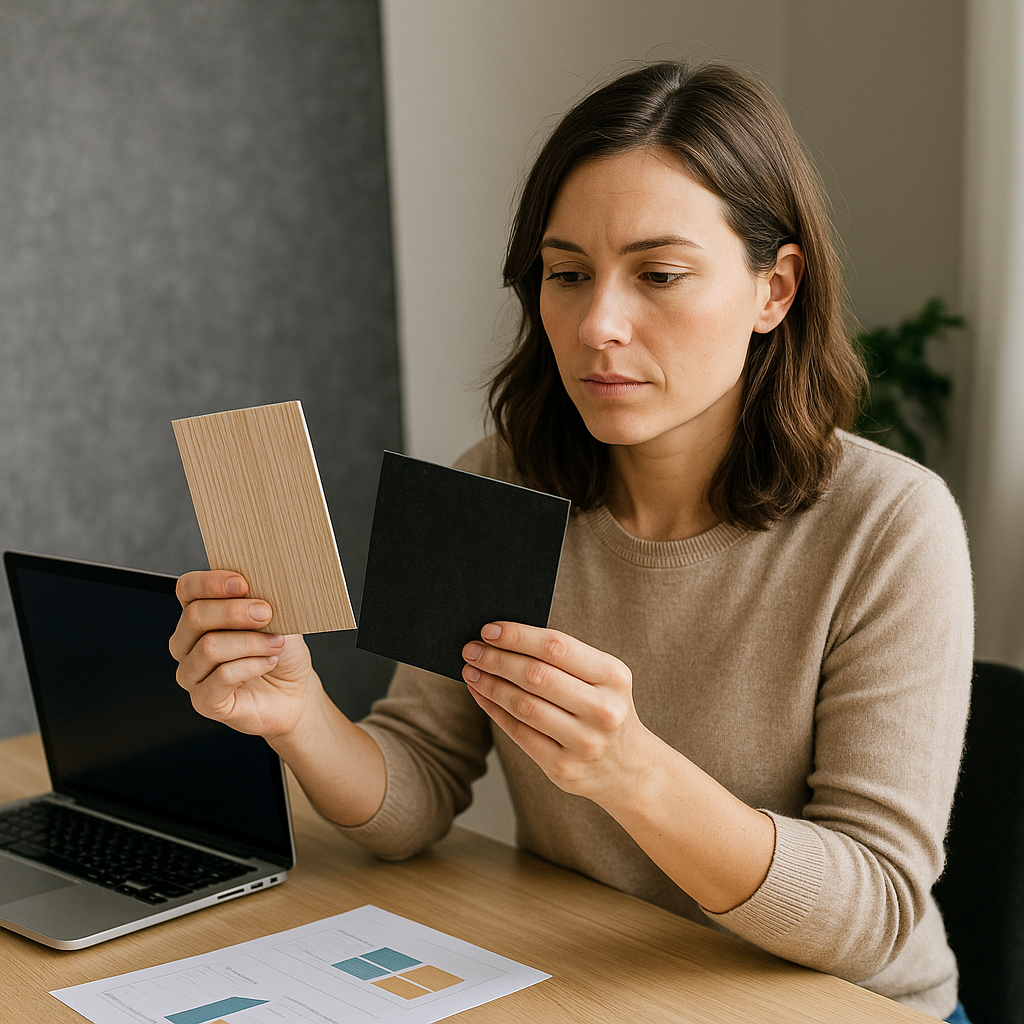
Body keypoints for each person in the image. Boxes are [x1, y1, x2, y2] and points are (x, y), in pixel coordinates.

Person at [170, 61, 974, 1021]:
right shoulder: (493, 479)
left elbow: (877, 910)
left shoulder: (891, 524)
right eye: (567, 274)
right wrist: (298, 713)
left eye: (660, 274)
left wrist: (633, 772)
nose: (598, 324)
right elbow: (415, 788)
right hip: (598, 985)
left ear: (776, 289)